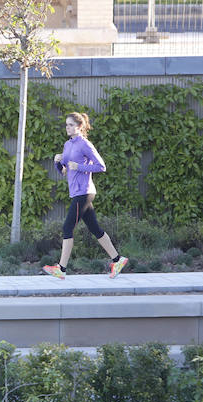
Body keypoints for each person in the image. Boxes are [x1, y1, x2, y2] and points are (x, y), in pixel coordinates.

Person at [42, 112, 128, 280]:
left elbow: (101, 166)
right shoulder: (67, 145)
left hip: (85, 192)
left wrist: (80, 166)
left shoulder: (85, 144)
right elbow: (65, 171)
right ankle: (118, 260)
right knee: (95, 228)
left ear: (80, 127)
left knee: (67, 227)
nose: (67, 128)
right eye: (66, 125)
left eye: (71, 125)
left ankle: (61, 268)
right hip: (76, 192)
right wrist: (57, 163)